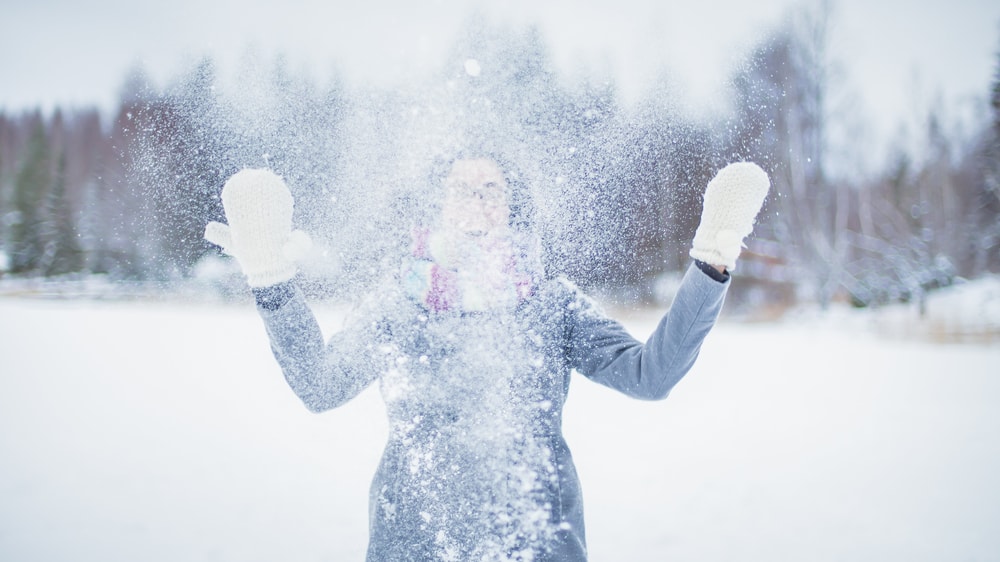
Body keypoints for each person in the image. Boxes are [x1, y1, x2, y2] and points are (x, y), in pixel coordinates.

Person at [204, 155, 769, 561]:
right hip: (413, 545)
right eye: (460, 186)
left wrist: (710, 265)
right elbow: (320, 387)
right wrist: (271, 281)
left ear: (511, 207)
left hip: (538, 544)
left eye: (491, 187)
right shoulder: (400, 301)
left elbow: (651, 375)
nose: (475, 197)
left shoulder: (552, 301)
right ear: (438, 205)